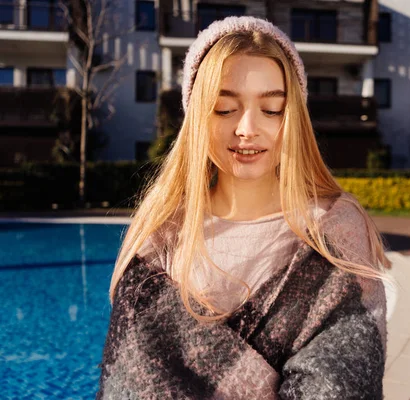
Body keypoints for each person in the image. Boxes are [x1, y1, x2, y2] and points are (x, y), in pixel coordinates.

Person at [97, 16, 392, 400]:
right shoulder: (160, 239)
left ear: (294, 119)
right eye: (224, 108)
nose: (247, 128)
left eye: (272, 109)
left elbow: (342, 381)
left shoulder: (333, 231)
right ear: (198, 117)